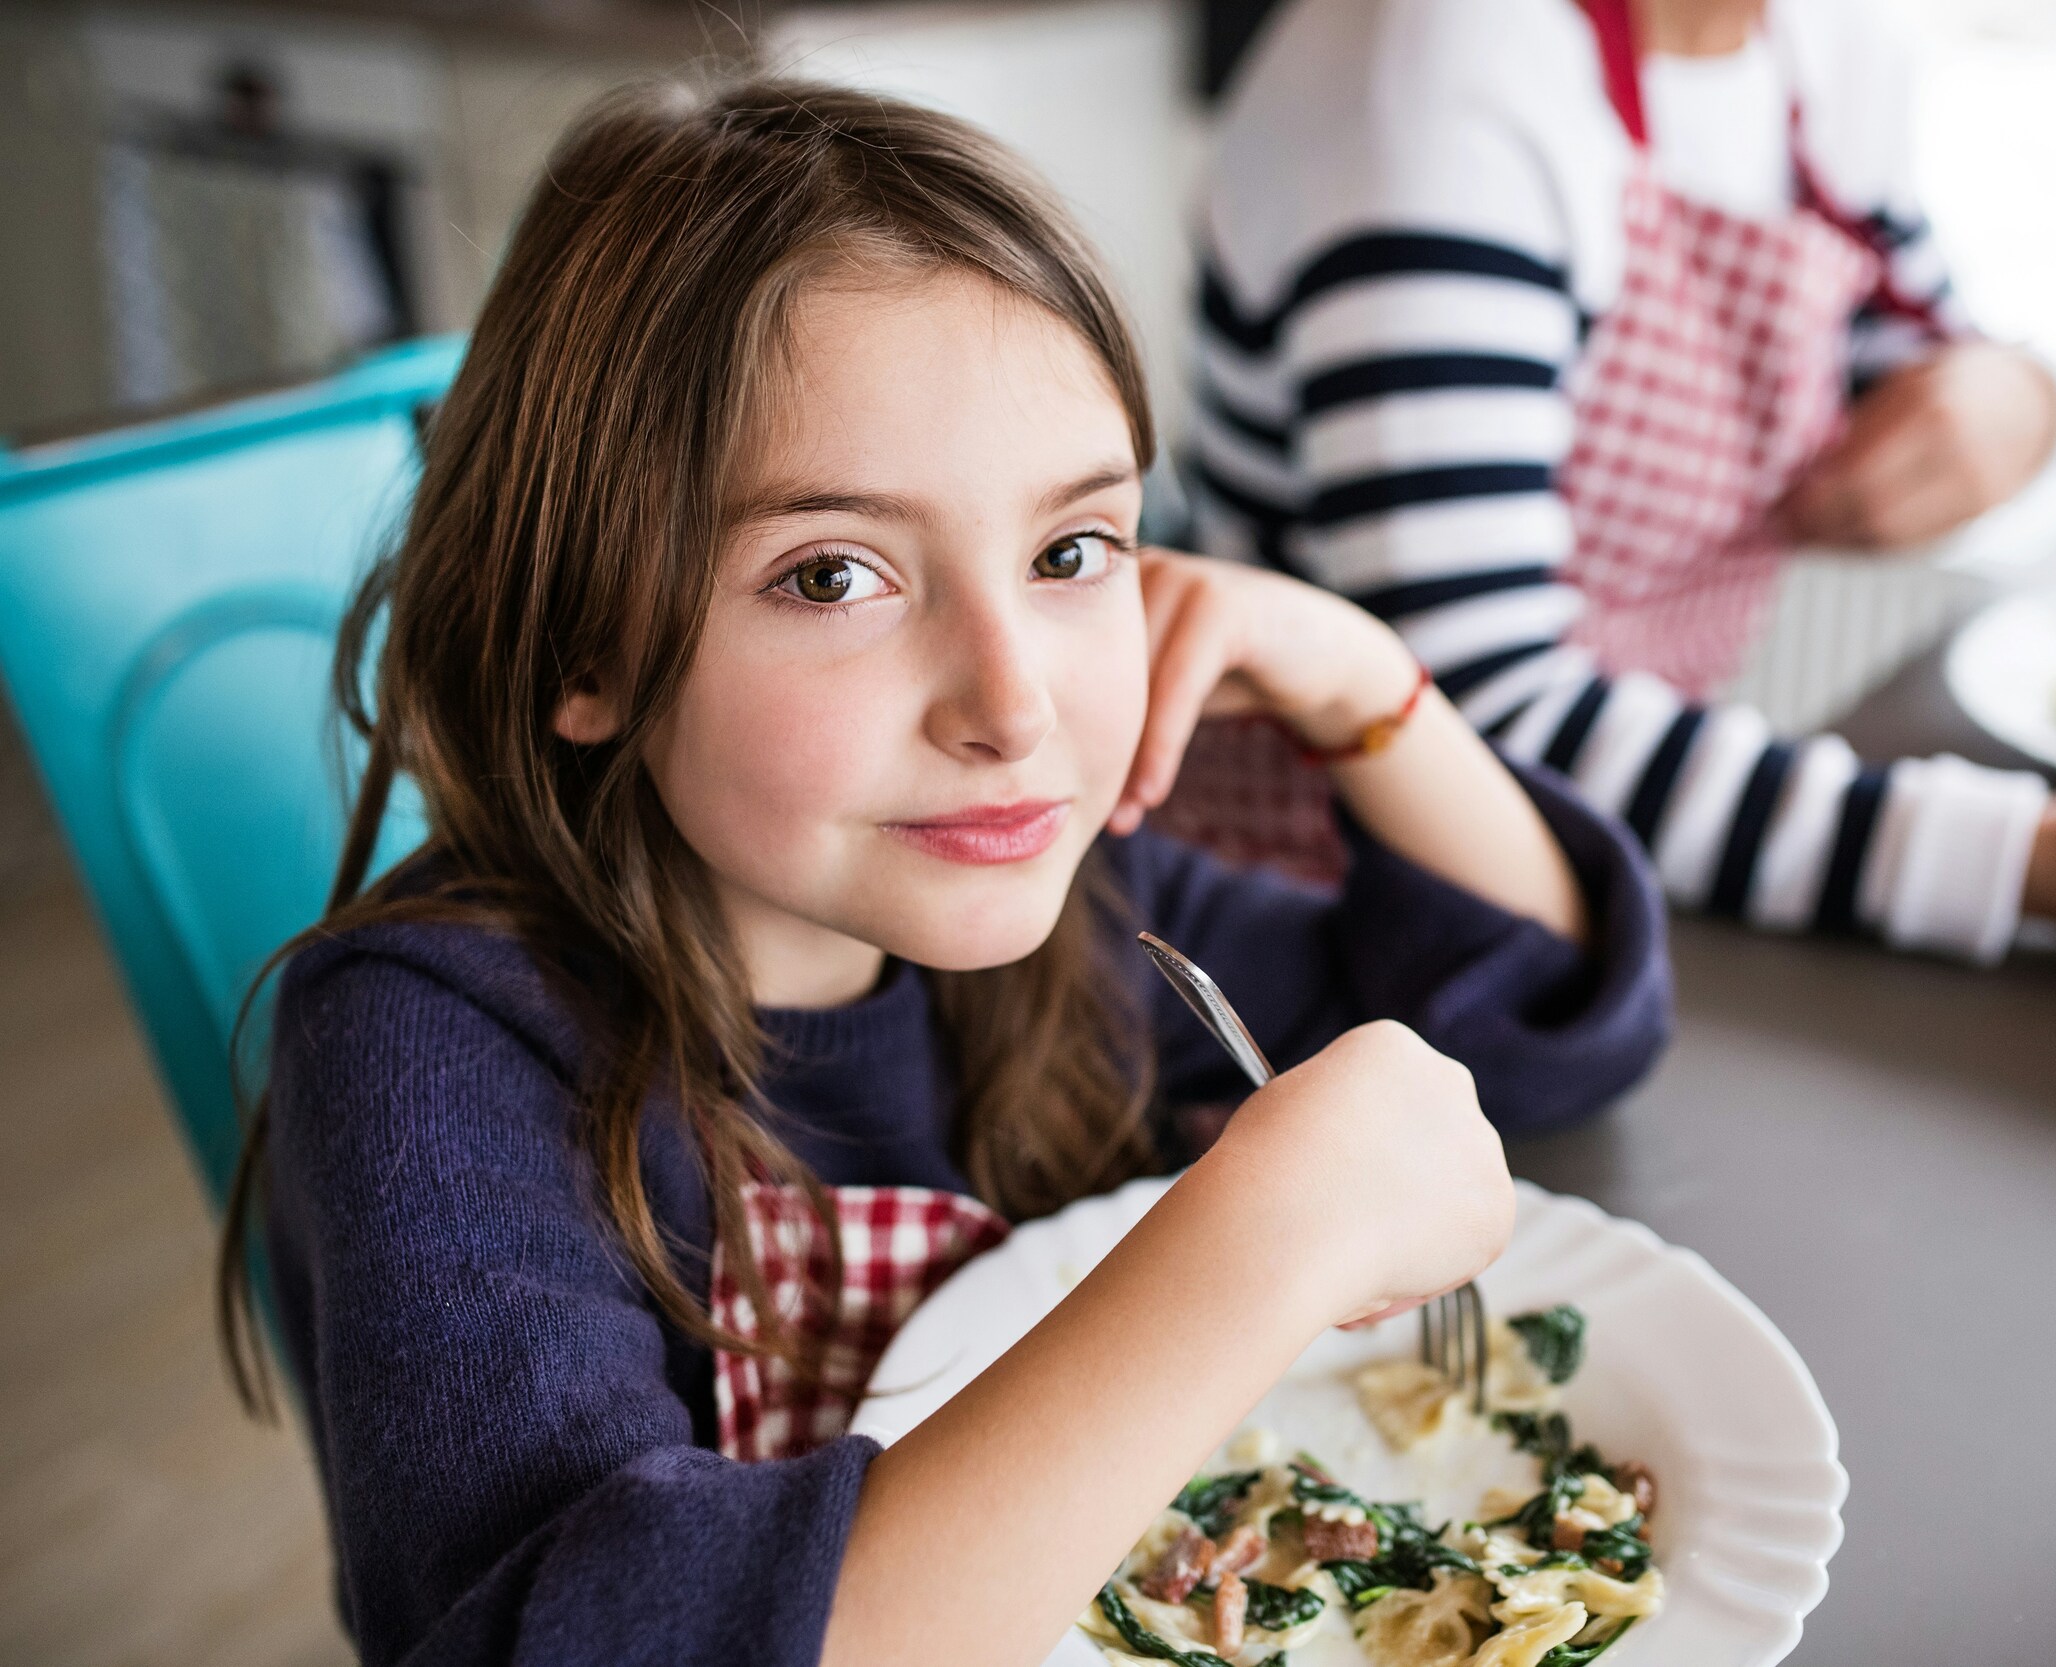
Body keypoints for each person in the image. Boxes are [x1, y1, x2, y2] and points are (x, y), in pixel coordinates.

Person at [211, 81, 1672, 1667]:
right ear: (587, 640)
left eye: (1070, 551)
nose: (1015, 703)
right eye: (834, 573)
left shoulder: (1084, 914)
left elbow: (1534, 1025)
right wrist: (1260, 1239)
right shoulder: (433, 1043)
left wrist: (1367, 688)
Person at [1179, 0, 2056, 980]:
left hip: (1642, 850)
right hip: (1336, 919)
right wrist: (2029, 865)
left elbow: (1909, 337)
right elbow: (1467, 717)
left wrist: (2019, 401)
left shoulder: (1809, 43)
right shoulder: (1438, 82)